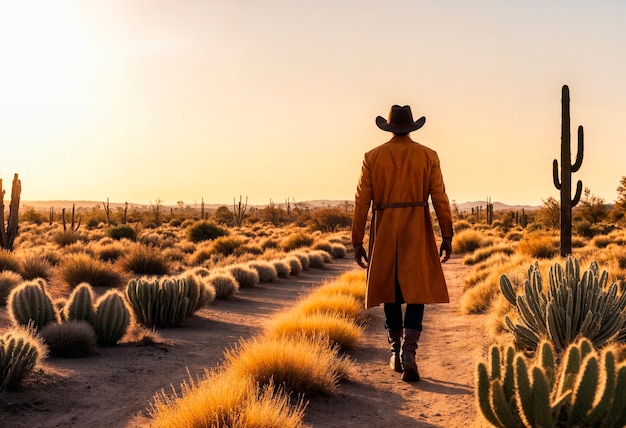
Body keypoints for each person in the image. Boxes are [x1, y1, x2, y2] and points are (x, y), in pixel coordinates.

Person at [351, 104, 453, 382]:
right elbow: (440, 198)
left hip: (384, 228)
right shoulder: (428, 155)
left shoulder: (372, 157)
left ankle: (395, 351)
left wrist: (357, 240)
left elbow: (361, 201)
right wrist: (447, 235)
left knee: (390, 289)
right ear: (411, 127)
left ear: (389, 127)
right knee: (416, 290)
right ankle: (409, 352)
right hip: (417, 226)